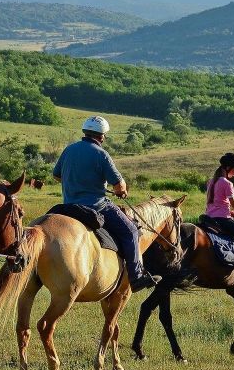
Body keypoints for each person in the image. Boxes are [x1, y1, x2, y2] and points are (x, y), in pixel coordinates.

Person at [52, 116, 161, 291]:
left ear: (85, 132)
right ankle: (137, 277)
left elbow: (56, 175)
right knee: (131, 231)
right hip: (97, 206)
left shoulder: (69, 149)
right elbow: (118, 185)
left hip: (69, 205)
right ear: (102, 136)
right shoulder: (101, 154)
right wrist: (121, 191)